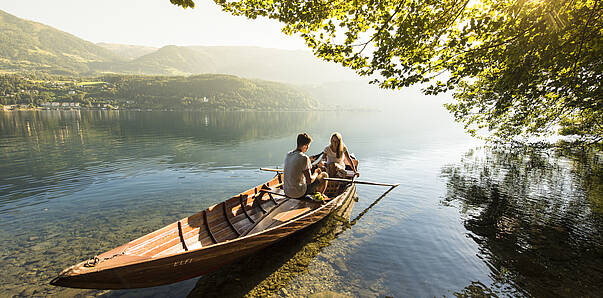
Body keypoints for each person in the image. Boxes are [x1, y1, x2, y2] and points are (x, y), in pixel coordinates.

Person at [283, 133, 328, 199]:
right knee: (324, 175)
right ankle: (318, 197)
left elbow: (298, 162)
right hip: (298, 193)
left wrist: (309, 161)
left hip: (286, 192)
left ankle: (315, 194)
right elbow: (309, 181)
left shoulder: (288, 154)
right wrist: (316, 172)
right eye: (308, 146)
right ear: (306, 146)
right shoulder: (304, 158)